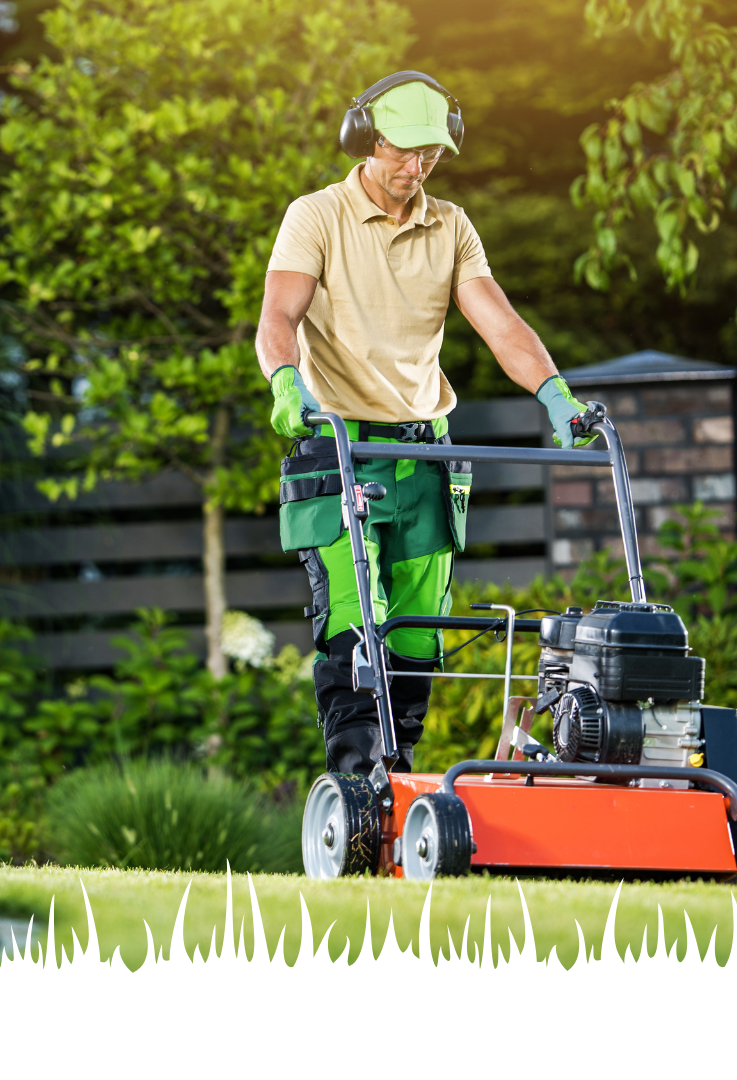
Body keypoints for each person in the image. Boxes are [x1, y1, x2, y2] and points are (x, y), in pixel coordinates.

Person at [255, 71, 591, 779]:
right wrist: (286, 381)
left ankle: (398, 782)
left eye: (431, 154)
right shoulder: (316, 216)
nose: (416, 167)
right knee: (354, 626)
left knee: (415, 638)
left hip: (423, 458)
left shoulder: (452, 227)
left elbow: (499, 323)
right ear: (366, 139)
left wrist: (555, 393)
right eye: (404, 152)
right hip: (340, 449)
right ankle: (354, 789)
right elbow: (277, 318)